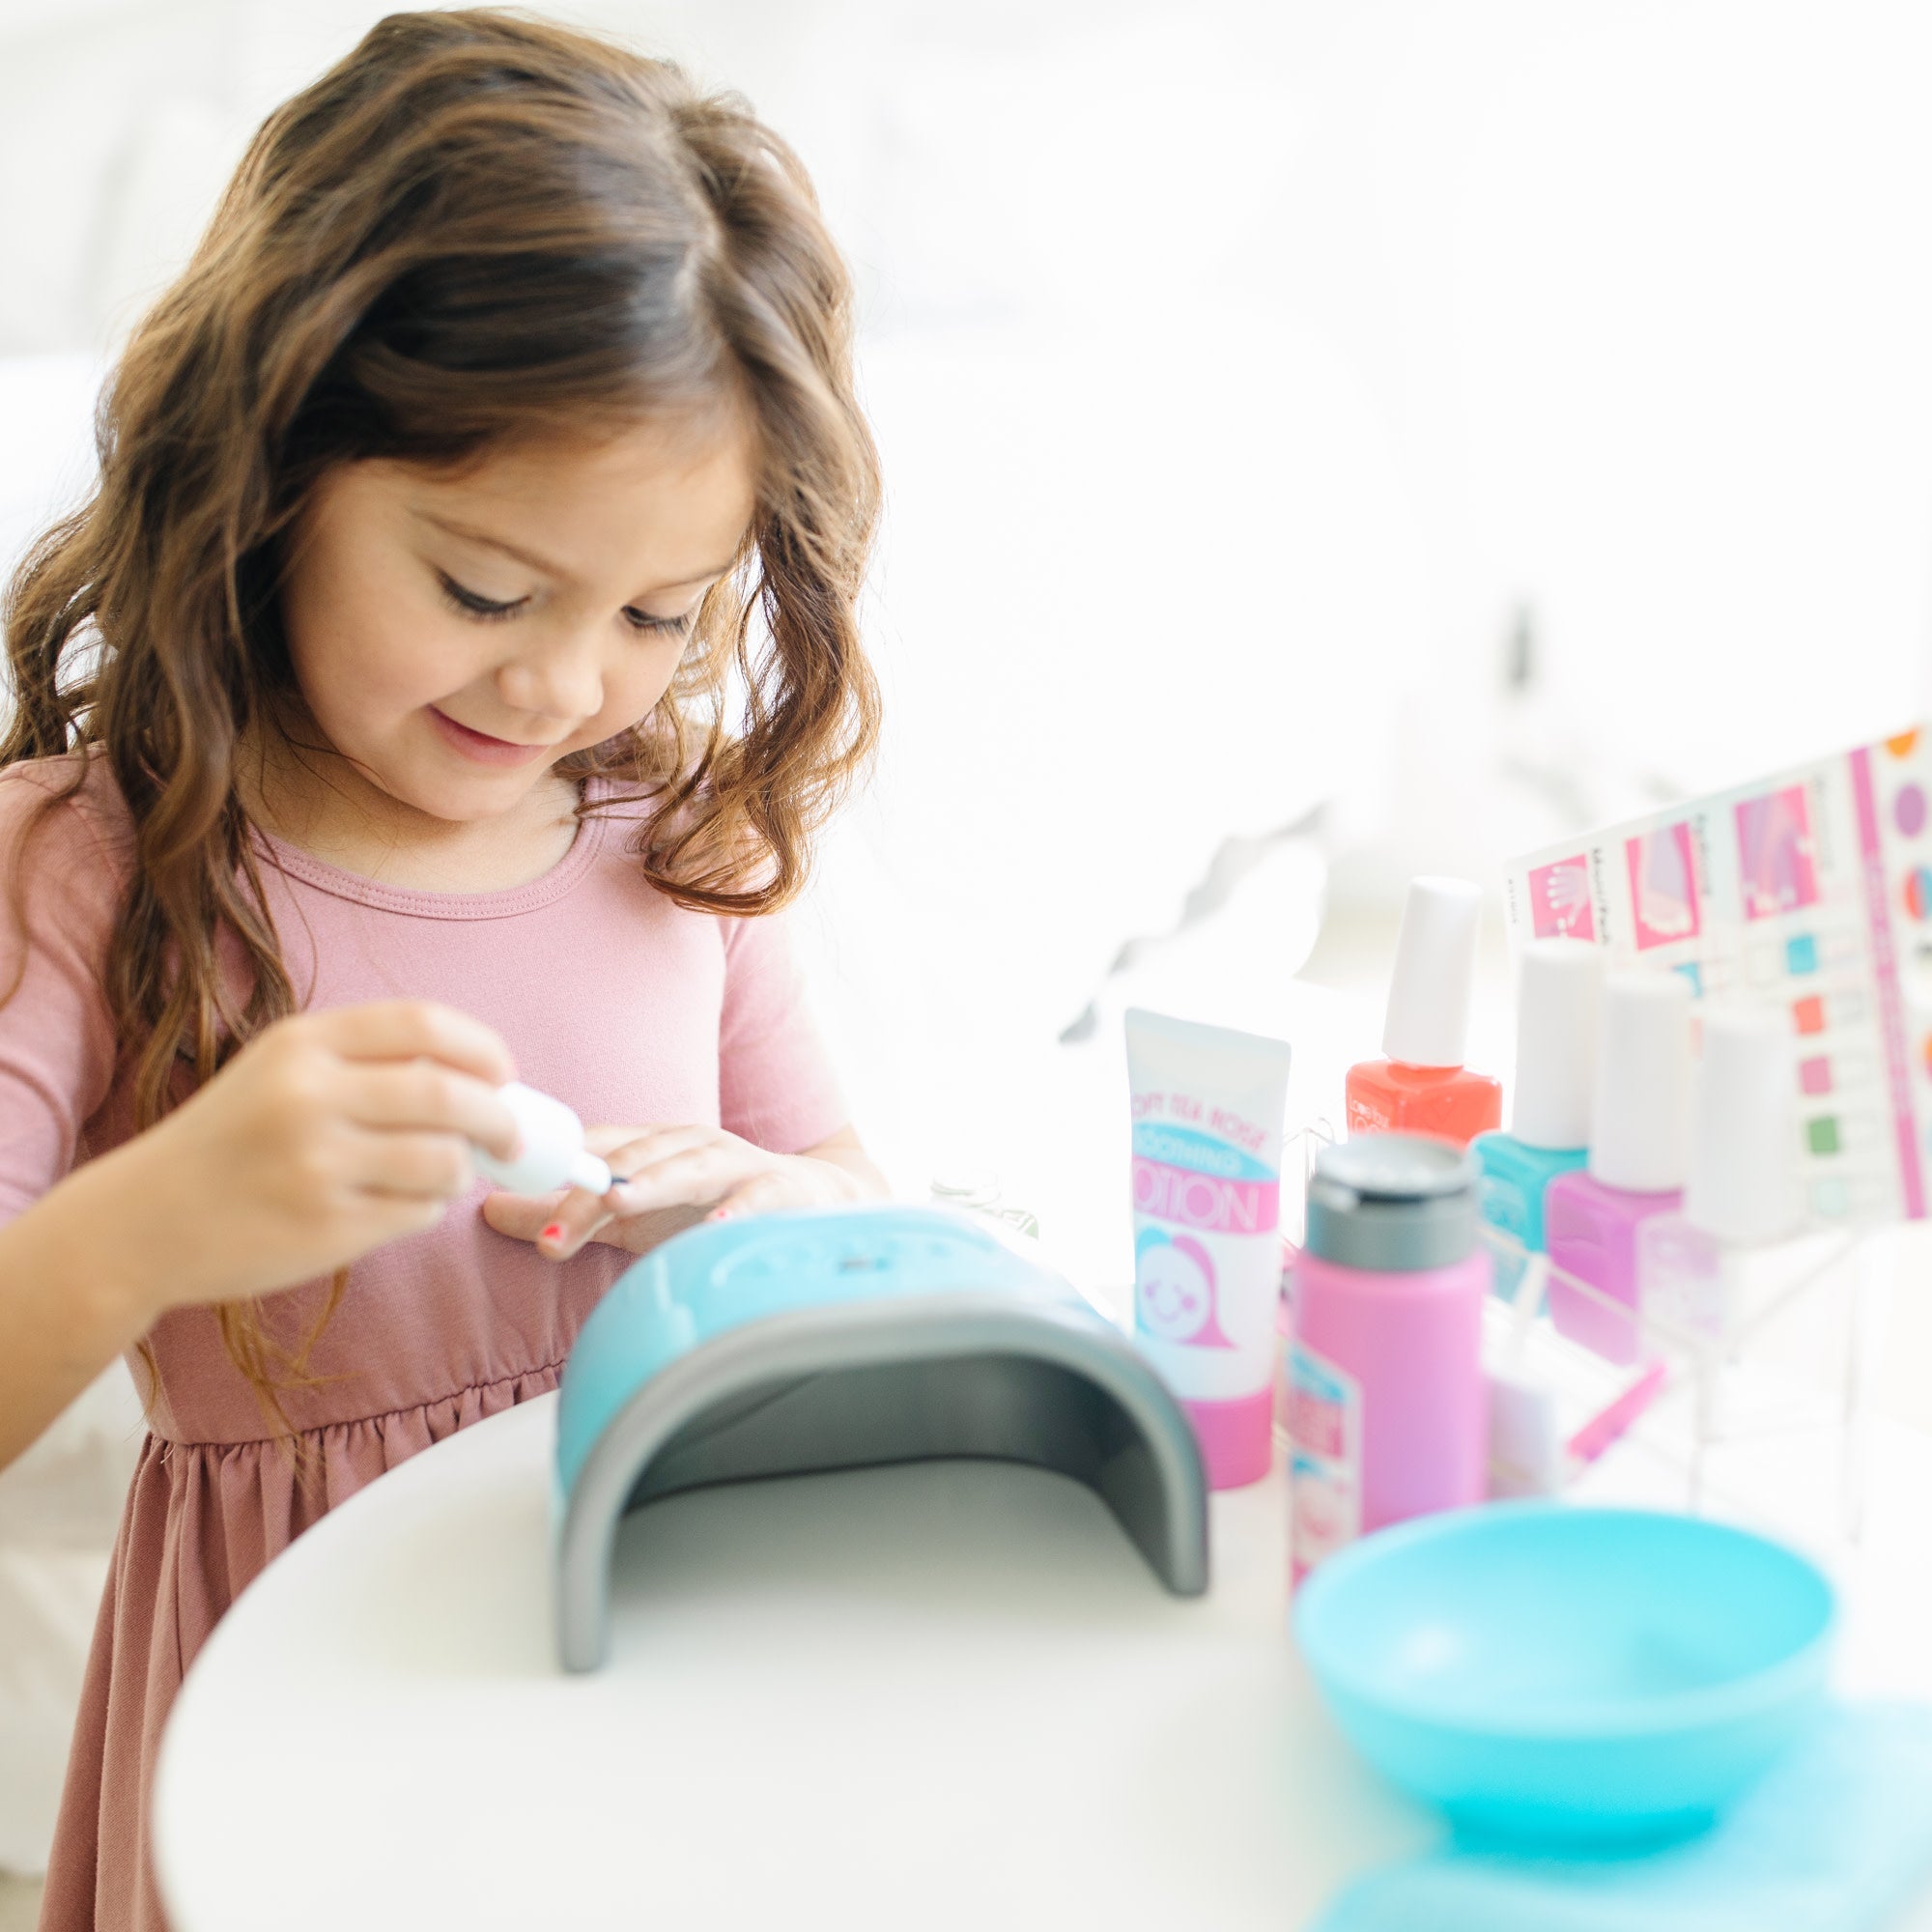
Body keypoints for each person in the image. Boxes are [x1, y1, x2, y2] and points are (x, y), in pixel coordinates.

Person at [0, 14, 889, 1925]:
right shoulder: (96, 862)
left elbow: (854, 1200)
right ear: (268, 469)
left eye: (657, 612)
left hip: (646, 1672)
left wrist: (780, 1209)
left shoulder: (677, 841)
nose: (565, 684)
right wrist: (149, 1222)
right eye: (485, 590)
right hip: (287, 1706)